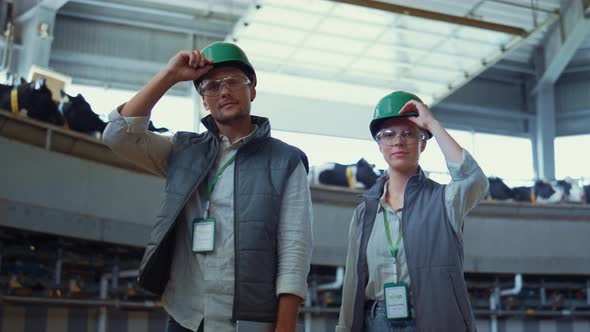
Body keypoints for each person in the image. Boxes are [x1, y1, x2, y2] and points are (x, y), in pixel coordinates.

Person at [102, 41, 313, 332]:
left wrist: (286, 325)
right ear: (204, 100)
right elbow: (117, 135)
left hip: (247, 321)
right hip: (185, 317)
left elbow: (294, 248)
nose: (223, 91)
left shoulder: (286, 160)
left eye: (233, 82)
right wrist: (170, 75)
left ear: (252, 89)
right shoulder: (183, 150)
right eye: (211, 87)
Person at [336, 91, 488, 331]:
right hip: (375, 322)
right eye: (388, 134)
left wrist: (432, 124)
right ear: (379, 145)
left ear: (423, 142)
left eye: (408, 133)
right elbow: (353, 282)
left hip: (432, 319)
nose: (398, 141)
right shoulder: (364, 212)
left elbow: (473, 179)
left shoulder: (445, 201)